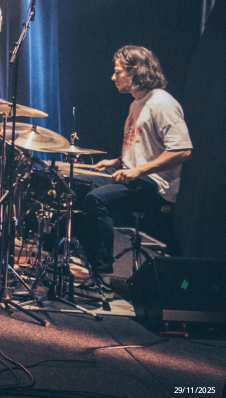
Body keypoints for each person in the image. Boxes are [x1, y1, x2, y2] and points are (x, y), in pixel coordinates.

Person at [76, 45, 192, 286]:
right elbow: (143, 150)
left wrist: (138, 170)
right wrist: (117, 162)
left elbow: (182, 150)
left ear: (136, 70)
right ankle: (83, 261)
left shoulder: (162, 104)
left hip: (156, 186)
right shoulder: (136, 104)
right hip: (137, 176)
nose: (113, 77)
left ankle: (101, 275)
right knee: (76, 184)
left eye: (118, 71)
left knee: (97, 199)